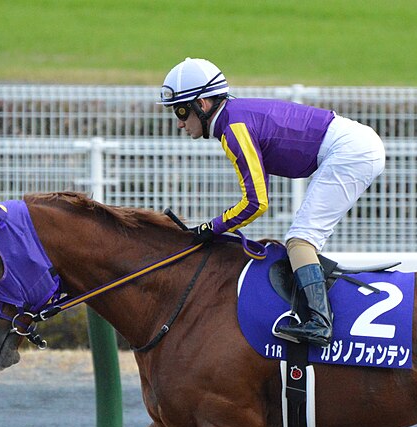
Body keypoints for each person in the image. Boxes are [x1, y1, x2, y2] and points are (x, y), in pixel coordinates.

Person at [160, 58, 386, 348]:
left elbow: (256, 202)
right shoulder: (234, 120)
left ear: (202, 104)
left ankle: (320, 322)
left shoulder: (234, 129)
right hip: (352, 145)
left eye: (180, 110)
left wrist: (211, 227)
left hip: (351, 151)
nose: (179, 122)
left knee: (300, 239)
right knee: (302, 238)